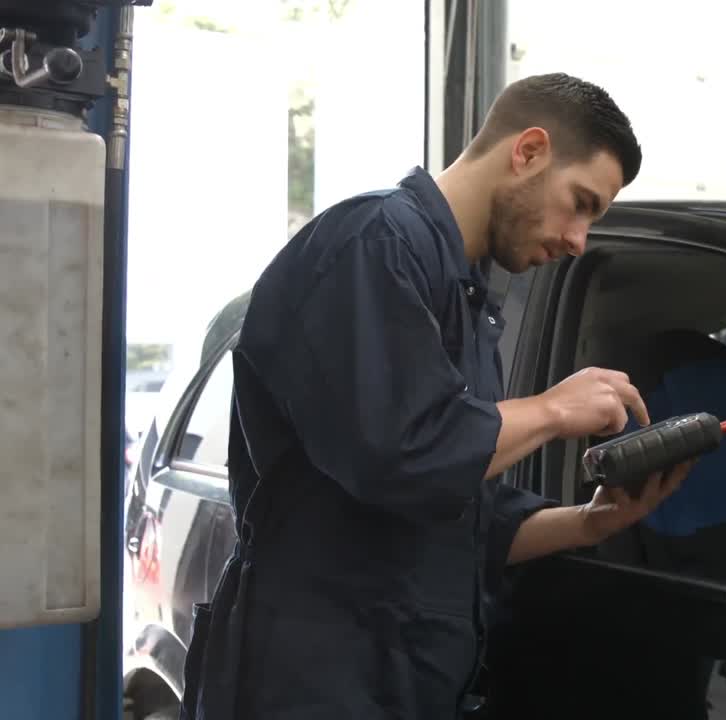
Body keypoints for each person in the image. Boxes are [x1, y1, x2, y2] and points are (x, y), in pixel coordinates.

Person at [179, 72, 694, 720]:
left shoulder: (463, 292)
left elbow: (461, 517)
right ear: (528, 151)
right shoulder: (373, 243)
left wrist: (591, 523)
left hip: (397, 682)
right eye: (581, 202)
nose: (577, 240)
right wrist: (553, 409)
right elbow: (405, 456)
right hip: (311, 683)